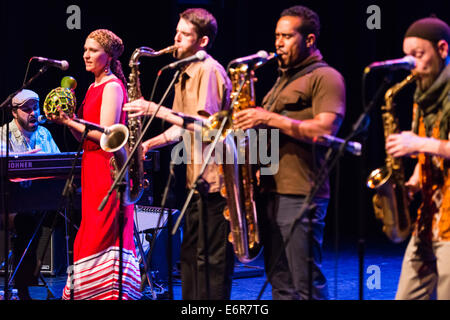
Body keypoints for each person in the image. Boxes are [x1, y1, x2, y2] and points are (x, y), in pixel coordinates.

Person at [233, 5, 346, 300]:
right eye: (276, 36)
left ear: (309, 39)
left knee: (306, 283)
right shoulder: (281, 81)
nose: (278, 43)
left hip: (301, 193)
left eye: (286, 36)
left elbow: (325, 131)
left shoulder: (326, 77)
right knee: (280, 283)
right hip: (269, 191)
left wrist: (267, 117)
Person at [124, 8, 234, 299]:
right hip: (195, 182)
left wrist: (152, 108)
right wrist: (149, 144)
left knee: (211, 263)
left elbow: (204, 125)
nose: (176, 39)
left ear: (203, 41)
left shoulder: (208, 71)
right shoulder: (185, 72)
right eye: (176, 32)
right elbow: (180, 127)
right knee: (189, 260)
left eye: (185, 35)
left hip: (218, 183)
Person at [51, 29, 141, 300]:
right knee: (91, 230)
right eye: (85, 50)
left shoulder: (113, 86)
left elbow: (105, 136)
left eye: (93, 50)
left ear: (109, 55)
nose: (86, 55)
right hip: (91, 166)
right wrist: (66, 119)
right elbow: (82, 136)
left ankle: (111, 293)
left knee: (101, 233)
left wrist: (69, 121)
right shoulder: (91, 86)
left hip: (108, 168)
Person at [384, 17, 450, 300]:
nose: (412, 64)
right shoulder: (422, 96)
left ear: (443, 49)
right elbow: (427, 152)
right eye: (407, 56)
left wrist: (420, 142)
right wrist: (411, 182)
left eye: (418, 55)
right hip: (428, 217)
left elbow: (427, 143)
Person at [0, 89, 60, 300]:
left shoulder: (45, 134)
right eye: (26, 109)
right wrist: (22, 159)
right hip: (10, 207)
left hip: (42, 203)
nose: (33, 113)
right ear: (14, 112)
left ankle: (83, 281)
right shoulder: (3, 134)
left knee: (73, 214)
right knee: (26, 223)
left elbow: (60, 165)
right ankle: (25, 290)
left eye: (35, 108)